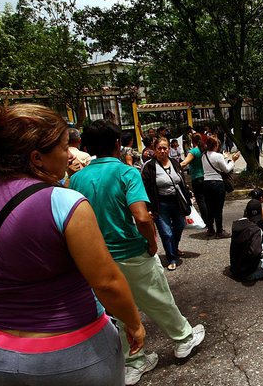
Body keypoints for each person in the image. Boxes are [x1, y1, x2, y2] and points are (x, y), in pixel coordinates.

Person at [0, 104, 145, 386]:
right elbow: (106, 282)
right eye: (63, 146)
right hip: (75, 353)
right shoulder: (63, 202)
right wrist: (134, 322)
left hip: (1, 353)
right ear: (37, 157)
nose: (69, 154)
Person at [70, 121, 205, 385]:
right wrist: (152, 243)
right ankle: (183, 339)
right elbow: (142, 217)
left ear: (87, 147)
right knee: (157, 297)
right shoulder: (126, 173)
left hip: (99, 258)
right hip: (131, 250)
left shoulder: (76, 178)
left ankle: (134, 361)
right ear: (118, 144)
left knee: (118, 311)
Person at [142, 137, 192, 271]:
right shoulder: (149, 167)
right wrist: (148, 208)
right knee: (166, 233)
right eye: (159, 148)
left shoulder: (175, 163)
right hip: (160, 204)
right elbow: (145, 188)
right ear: (154, 150)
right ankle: (172, 258)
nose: (162, 151)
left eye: (165, 148)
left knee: (180, 225)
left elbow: (181, 182)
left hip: (177, 202)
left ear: (169, 149)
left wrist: (188, 196)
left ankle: (174, 247)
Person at [202, 136, 241, 238]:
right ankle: (220, 231)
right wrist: (233, 160)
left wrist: (223, 157)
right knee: (218, 208)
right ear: (216, 145)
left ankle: (210, 229)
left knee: (209, 208)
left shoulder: (204, 156)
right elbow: (227, 169)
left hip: (206, 183)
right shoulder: (218, 156)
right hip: (217, 184)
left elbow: (213, 164)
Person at [180, 133, 208, 223]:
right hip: (206, 177)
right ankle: (211, 219)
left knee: (201, 200)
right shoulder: (205, 150)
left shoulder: (194, 151)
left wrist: (175, 166)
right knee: (207, 200)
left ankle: (206, 221)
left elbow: (184, 163)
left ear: (192, 141)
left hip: (197, 178)